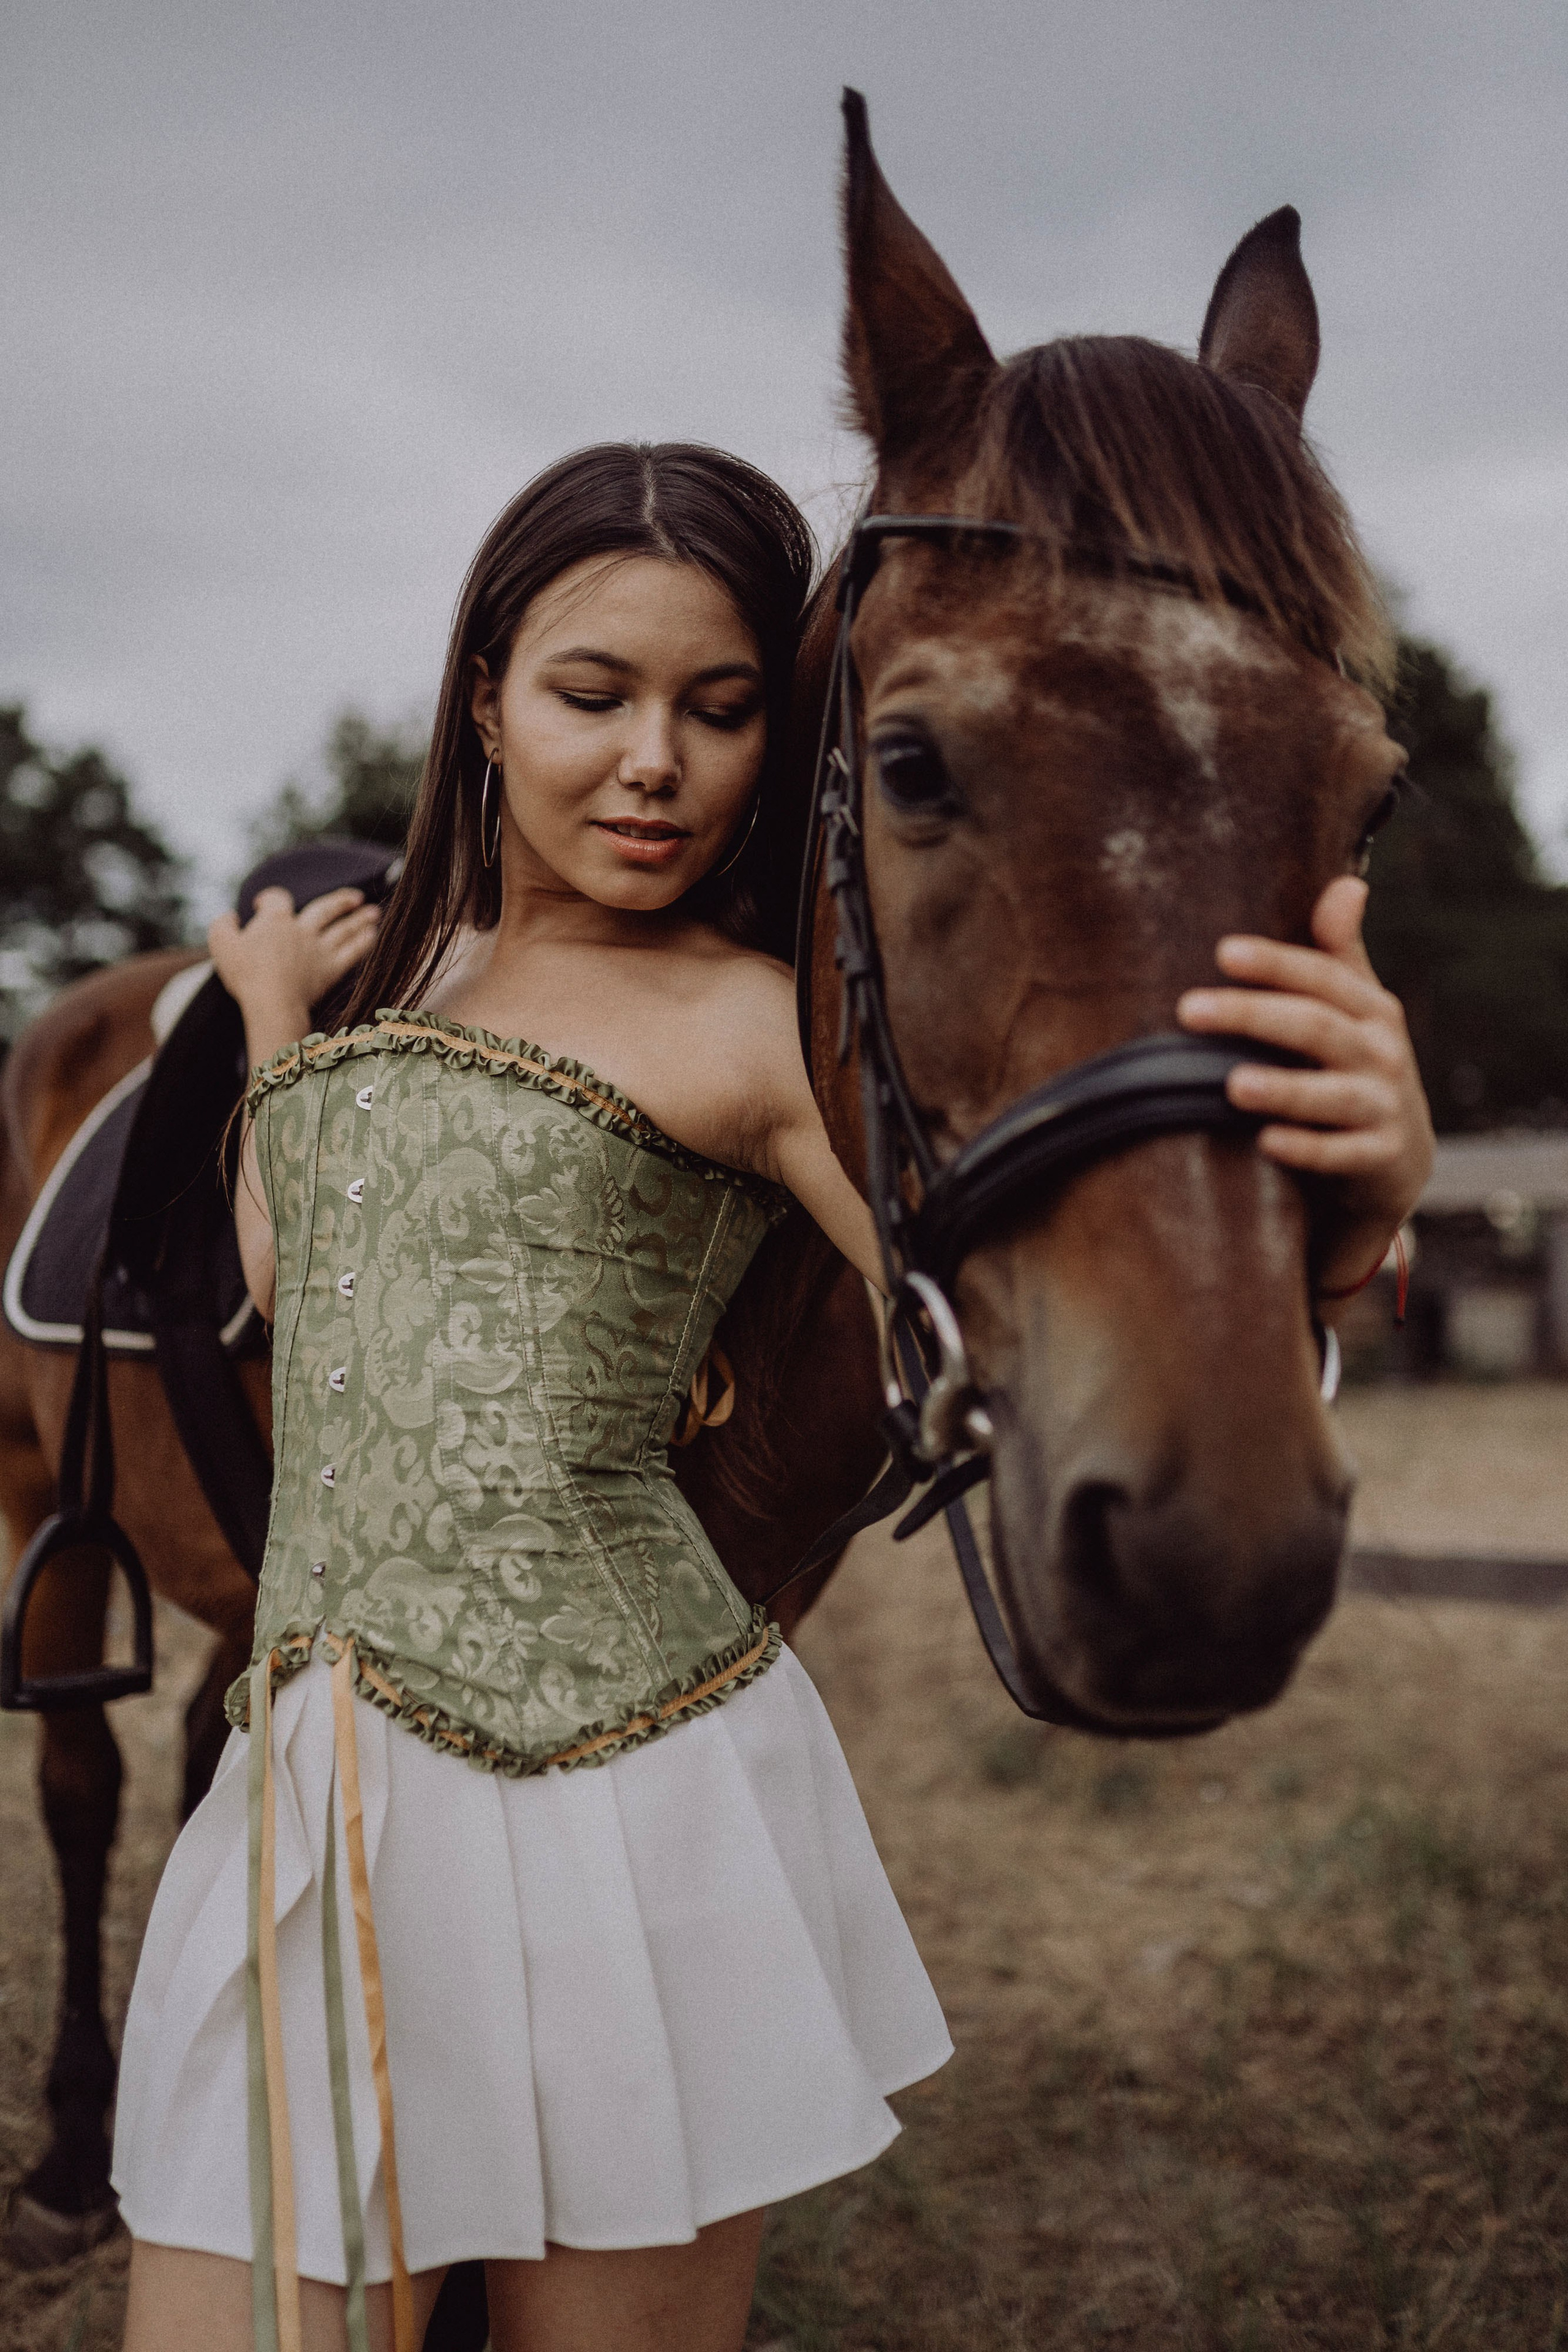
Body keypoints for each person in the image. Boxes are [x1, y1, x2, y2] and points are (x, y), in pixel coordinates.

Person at [113, 440, 1432, 2352]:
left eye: (720, 711)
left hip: (617, 1819)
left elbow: (1008, 1301)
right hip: (313, 1801)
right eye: (593, 694)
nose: (654, 760)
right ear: (482, 698)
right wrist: (274, 1035)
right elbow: (289, 1283)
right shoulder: (415, 979)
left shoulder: (757, 1027)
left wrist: (1346, 1222)